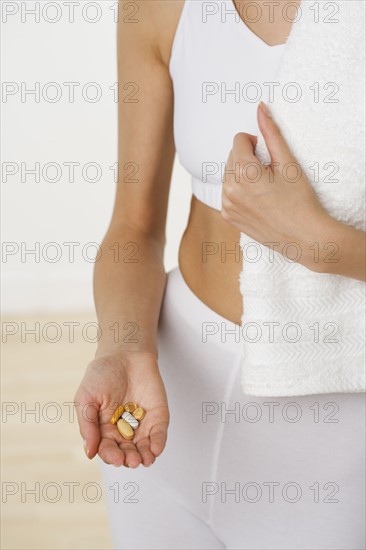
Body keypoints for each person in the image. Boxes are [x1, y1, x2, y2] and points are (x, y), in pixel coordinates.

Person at [74, 1, 366, 548]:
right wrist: (124, 347)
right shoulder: (160, 9)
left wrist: (322, 245)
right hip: (165, 393)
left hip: (337, 425)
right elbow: (133, 228)